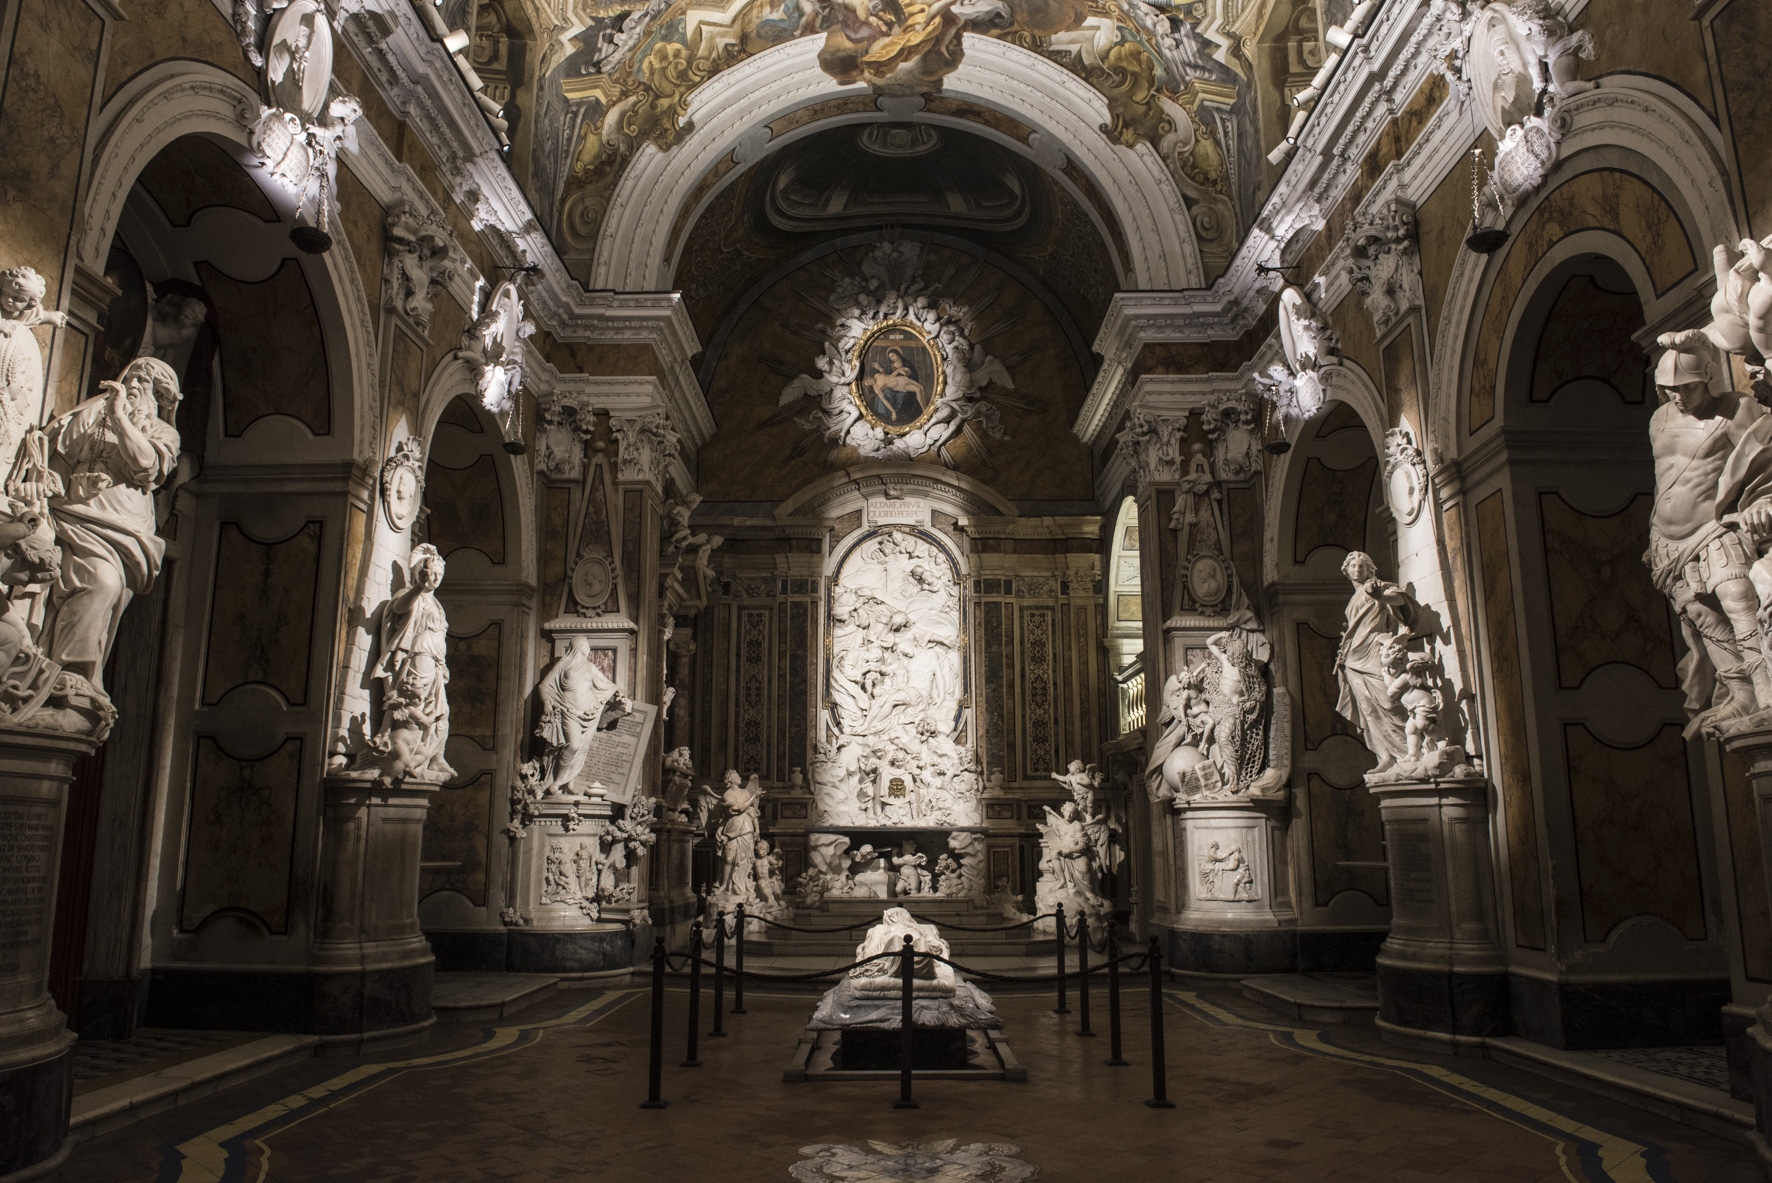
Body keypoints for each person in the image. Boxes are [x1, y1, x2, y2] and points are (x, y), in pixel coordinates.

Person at [1645, 334, 1772, 732]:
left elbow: (1763, 459)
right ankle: (1742, 694)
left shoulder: (1735, 408)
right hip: (1667, 540)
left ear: (1709, 378)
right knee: (1702, 616)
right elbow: (1663, 478)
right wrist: (1653, 532)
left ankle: (1768, 693)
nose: (1678, 396)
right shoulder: (1659, 419)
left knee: (1738, 600)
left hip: (1715, 527)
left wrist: (1762, 502)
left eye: (1688, 387)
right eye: (1670, 389)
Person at [41, 355, 182, 693]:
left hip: (126, 531)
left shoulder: (163, 433)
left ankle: (78, 676)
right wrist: (63, 486)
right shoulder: (91, 415)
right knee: (101, 583)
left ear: (158, 396)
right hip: (76, 518)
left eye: (142, 382)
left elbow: (145, 466)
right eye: (130, 377)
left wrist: (119, 416)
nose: (132, 385)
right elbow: (58, 461)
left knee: (111, 594)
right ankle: (69, 672)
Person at [1333, 551, 1419, 770]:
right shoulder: (1354, 597)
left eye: (1361, 566)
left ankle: (1411, 751)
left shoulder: (1377, 585)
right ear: (1346, 570)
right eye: (1353, 566)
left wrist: (1379, 595)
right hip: (1352, 658)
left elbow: (1401, 599)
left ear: (1369, 569)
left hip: (1374, 650)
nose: (1357, 570)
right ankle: (1385, 756)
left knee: (1389, 701)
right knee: (1368, 709)